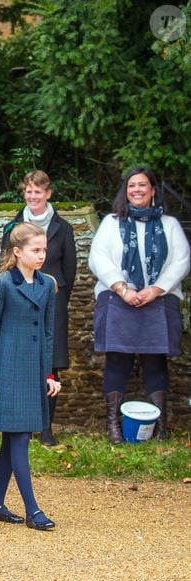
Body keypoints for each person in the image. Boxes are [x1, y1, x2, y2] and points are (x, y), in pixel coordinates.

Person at [88, 167, 190, 443]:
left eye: (142, 185)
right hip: (119, 301)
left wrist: (155, 290)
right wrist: (122, 288)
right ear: (126, 191)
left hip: (157, 301)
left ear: (152, 190)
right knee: (116, 362)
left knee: (155, 363)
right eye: (132, 185)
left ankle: (161, 428)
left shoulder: (169, 225)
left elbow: (181, 261)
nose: (137, 190)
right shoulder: (111, 223)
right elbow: (99, 258)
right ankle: (114, 427)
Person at [0, 222, 60, 531]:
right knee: (20, 437)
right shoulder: (3, 283)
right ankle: (33, 510)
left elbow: (48, 333)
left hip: (33, 370)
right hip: (6, 370)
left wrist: (49, 373)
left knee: (12, 439)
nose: (41, 255)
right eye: (36, 250)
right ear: (17, 252)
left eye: (44, 250)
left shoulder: (47, 285)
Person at [3, 170, 76, 446]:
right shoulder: (13, 226)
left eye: (38, 191)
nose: (33, 196)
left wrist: (56, 302)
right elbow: (6, 261)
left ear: (48, 193)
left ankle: (46, 428)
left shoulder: (63, 228)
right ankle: (22, 425)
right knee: (20, 362)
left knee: (50, 364)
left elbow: (69, 270)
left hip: (53, 306)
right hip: (19, 302)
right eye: (28, 191)